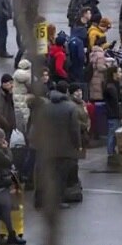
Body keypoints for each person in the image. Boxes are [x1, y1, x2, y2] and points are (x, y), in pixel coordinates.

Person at [31, 80, 81, 208]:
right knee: (60, 177)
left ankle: (39, 200)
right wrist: (77, 145)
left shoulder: (45, 106)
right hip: (65, 148)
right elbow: (75, 130)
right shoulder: (71, 108)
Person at [0, 125, 26, 245]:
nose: (4, 140)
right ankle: (11, 235)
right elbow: (9, 161)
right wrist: (7, 148)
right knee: (6, 209)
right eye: (2, 138)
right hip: (0, 182)